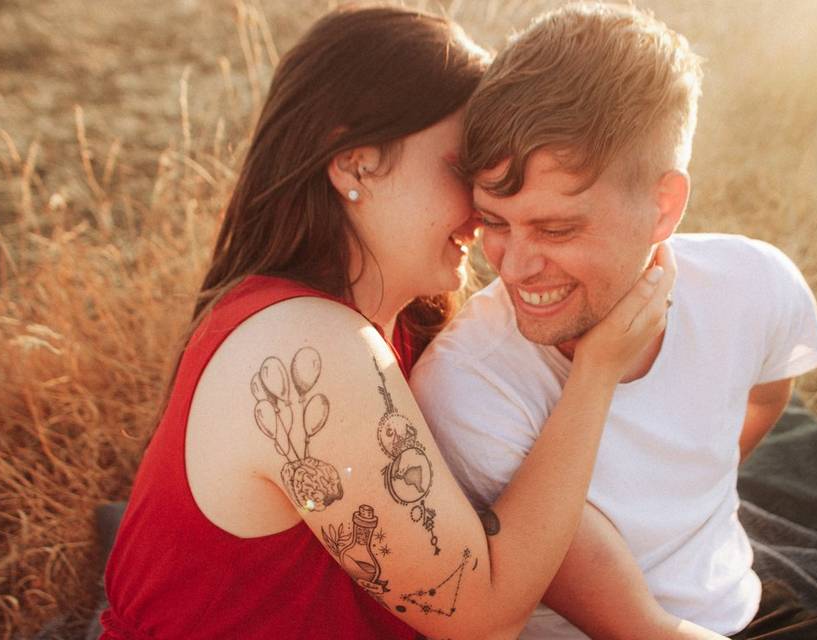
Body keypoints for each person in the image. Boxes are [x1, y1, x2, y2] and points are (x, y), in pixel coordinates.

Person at [99, 6, 677, 639]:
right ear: (357, 165)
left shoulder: (392, 322)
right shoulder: (305, 348)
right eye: (463, 170)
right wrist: (596, 372)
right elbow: (482, 618)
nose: (483, 212)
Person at [410, 4, 817, 639]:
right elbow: (634, 627)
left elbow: (768, 396)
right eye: (495, 221)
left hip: (747, 607)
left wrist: (690, 499)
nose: (515, 267)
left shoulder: (752, 283)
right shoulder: (468, 387)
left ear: (663, 207)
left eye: (557, 228)